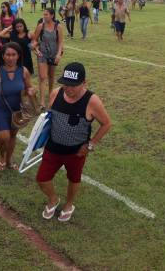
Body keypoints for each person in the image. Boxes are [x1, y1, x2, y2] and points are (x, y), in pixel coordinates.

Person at [36, 63, 111, 223]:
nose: (68, 89)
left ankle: (69, 204)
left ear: (84, 83)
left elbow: (106, 123)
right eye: (65, 84)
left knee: (74, 179)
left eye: (73, 85)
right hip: (53, 147)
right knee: (42, 178)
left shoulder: (92, 100)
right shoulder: (56, 93)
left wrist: (90, 145)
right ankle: (53, 199)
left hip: (76, 151)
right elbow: (50, 117)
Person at [0, 42, 35, 171]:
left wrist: (31, 90)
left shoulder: (24, 71)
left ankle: (8, 161)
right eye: (7, 54)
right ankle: (2, 155)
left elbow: (29, 87)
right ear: (2, 56)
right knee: (4, 136)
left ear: (18, 56)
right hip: (0, 108)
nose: (10, 58)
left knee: (13, 135)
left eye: (13, 54)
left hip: (17, 109)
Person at [31, 8, 65, 108]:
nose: (44, 16)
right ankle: (42, 102)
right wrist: (36, 50)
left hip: (54, 54)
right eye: (44, 14)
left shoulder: (58, 27)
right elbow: (34, 40)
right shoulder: (40, 26)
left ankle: (51, 95)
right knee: (42, 77)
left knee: (51, 76)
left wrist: (59, 54)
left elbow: (60, 42)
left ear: (52, 15)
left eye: (46, 15)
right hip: (43, 54)